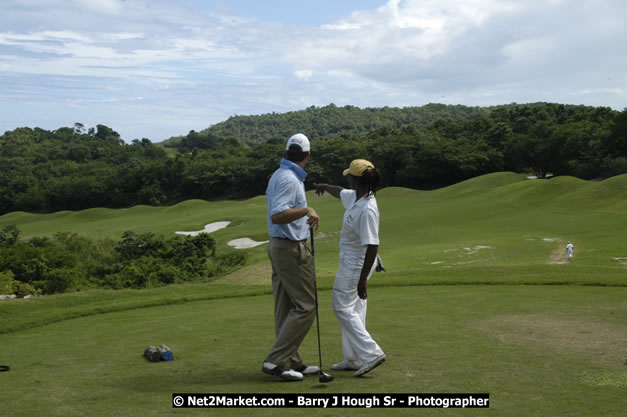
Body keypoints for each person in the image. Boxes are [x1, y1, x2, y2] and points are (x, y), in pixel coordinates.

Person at [314, 159, 386, 377]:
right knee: (354, 310)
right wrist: (324, 187)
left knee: (341, 307)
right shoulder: (356, 196)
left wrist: (363, 279)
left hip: (357, 263)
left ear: (356, 180)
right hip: (353, 260)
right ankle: (353, 358)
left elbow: (372, 245)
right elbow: (339, 192)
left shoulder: (367, 209)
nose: (346, 179)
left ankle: (371, 353)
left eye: (349, 176)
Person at [262, 133, 321, 382]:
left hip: (280, 246)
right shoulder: (288, 178)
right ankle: (276, 359)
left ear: (288, 152)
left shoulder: (281, 175)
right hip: (289, 248)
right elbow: (278, 215)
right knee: (307, 306)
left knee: (286, 307)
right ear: (307, 155)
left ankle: (290, 361)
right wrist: (306, 210)